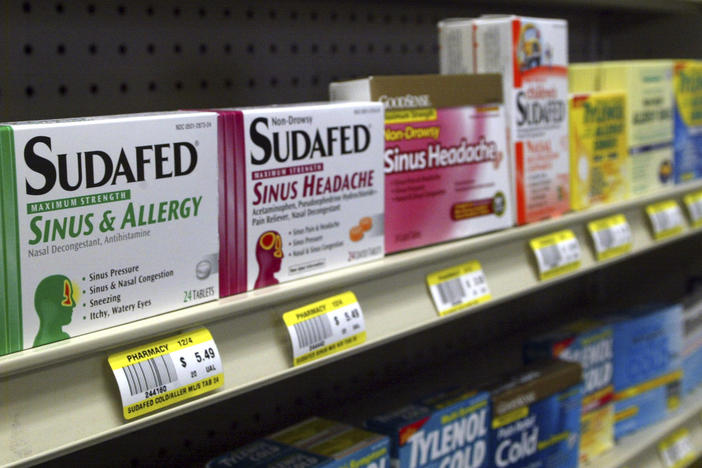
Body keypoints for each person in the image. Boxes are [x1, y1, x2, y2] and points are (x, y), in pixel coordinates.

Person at [33, 275, 75, 346]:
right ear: (46, 305)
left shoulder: (64, 338)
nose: (73, 304)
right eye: (66, 298)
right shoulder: (42, 345)